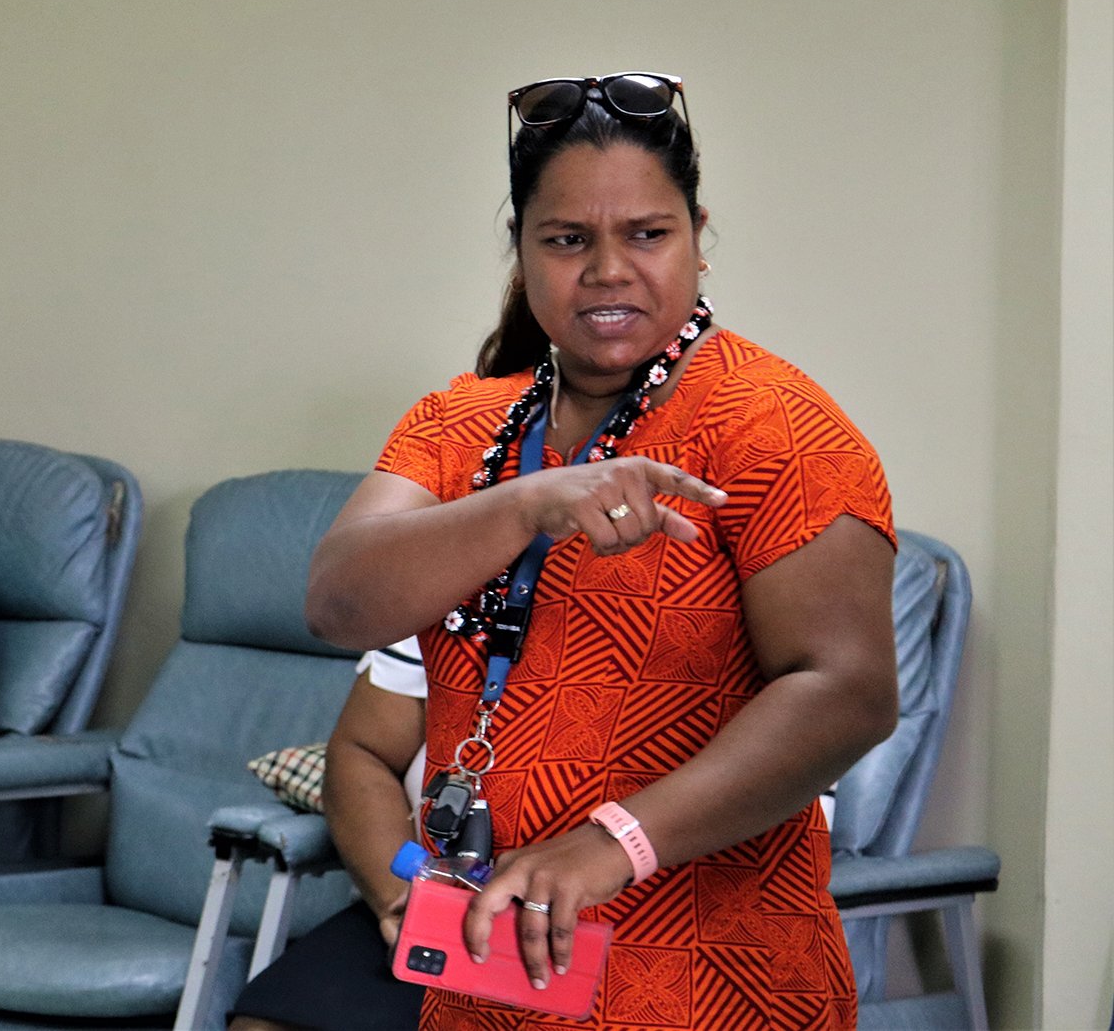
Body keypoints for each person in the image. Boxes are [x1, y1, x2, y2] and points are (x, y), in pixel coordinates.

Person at [305, 73, 897, 1029]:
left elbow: (849, 691)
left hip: (716, 985)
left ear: (699, 236)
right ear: (521, 249)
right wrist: (524, 505)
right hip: (490, 986)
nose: (609, 269)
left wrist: (614, 842)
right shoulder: (458, 425)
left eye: (648, 234)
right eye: (567, 239)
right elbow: (338, 602)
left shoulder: (777, 425)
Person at [229, 638, 427, 1031]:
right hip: (424, 904)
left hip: (548, 930)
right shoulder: (444, 615)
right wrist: (401, 905)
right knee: (264, 1026)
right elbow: (362, 752)